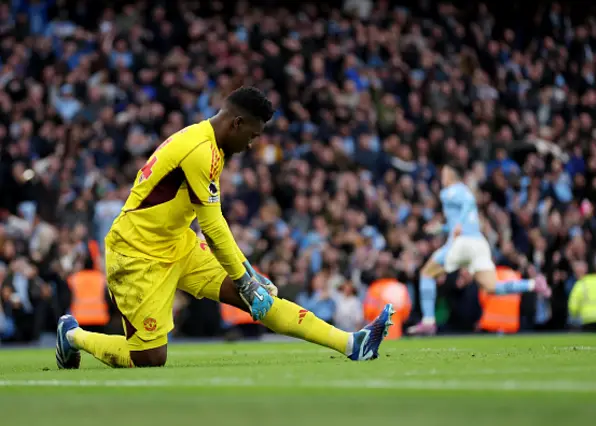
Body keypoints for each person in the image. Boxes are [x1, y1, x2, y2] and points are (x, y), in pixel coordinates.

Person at [55, 87, 394, 369]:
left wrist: (248, 276)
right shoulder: (201, 150)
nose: (251, 144)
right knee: (148, 358)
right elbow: (213, 226)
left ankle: (352, 343)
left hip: (176, 243)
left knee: (259, 299)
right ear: (237, 123)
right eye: (252, 134)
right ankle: (72, 335)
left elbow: (212, 224)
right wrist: (245, 277)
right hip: (137, 254)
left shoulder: (209, 144)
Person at [408, 163, 550, 335]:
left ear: (453, 176)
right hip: (478, 243)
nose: (443, 178)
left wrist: (458, 223)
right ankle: (534, 284)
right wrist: (442, 229)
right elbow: (463, 217)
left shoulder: (451, 191)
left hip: (462, 243)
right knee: (491, 287)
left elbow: (467, 204)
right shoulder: (462, 195)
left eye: (446, 174)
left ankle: (429, 321)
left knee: (426, 273)